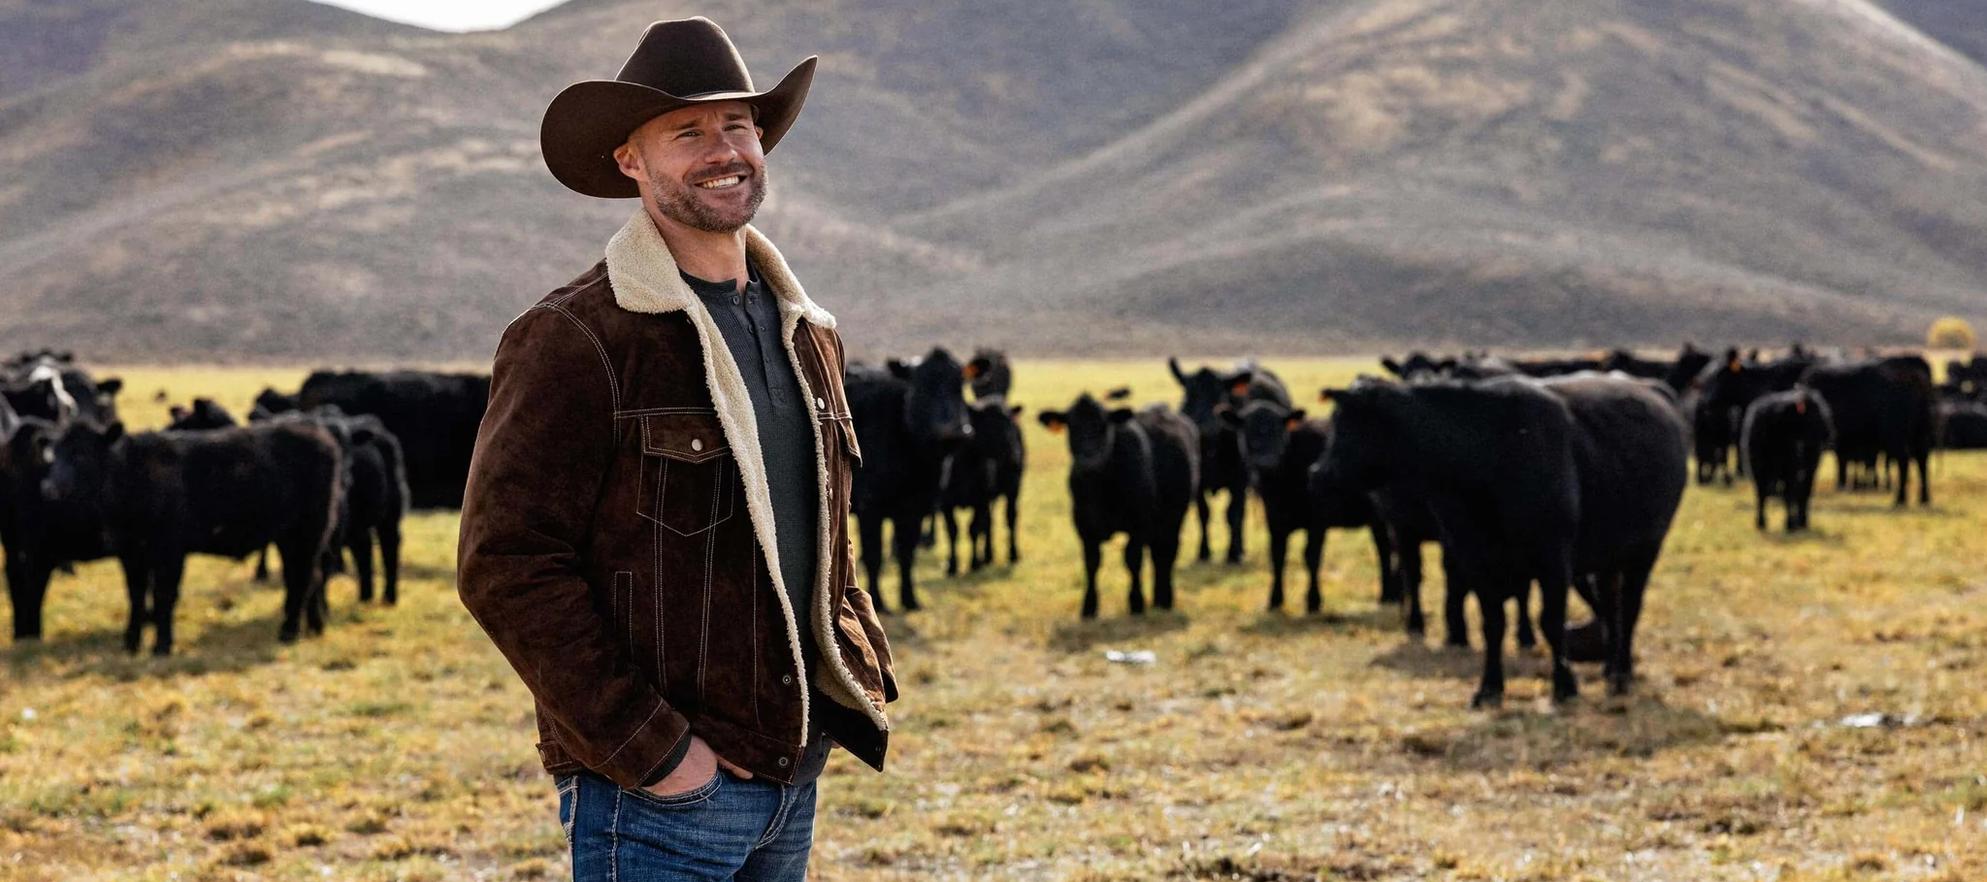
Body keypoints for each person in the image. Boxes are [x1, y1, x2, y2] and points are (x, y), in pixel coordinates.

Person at [455, 17, 898, 880]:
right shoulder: (577, 337)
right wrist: (657, 754)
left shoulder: (808, 332)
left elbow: (824, 536)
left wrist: (854, 673)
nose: (721, 150)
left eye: (737, 125)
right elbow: (504, 565)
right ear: (631, 162)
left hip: (790, 775)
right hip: (657, 798)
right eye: (685, 132)